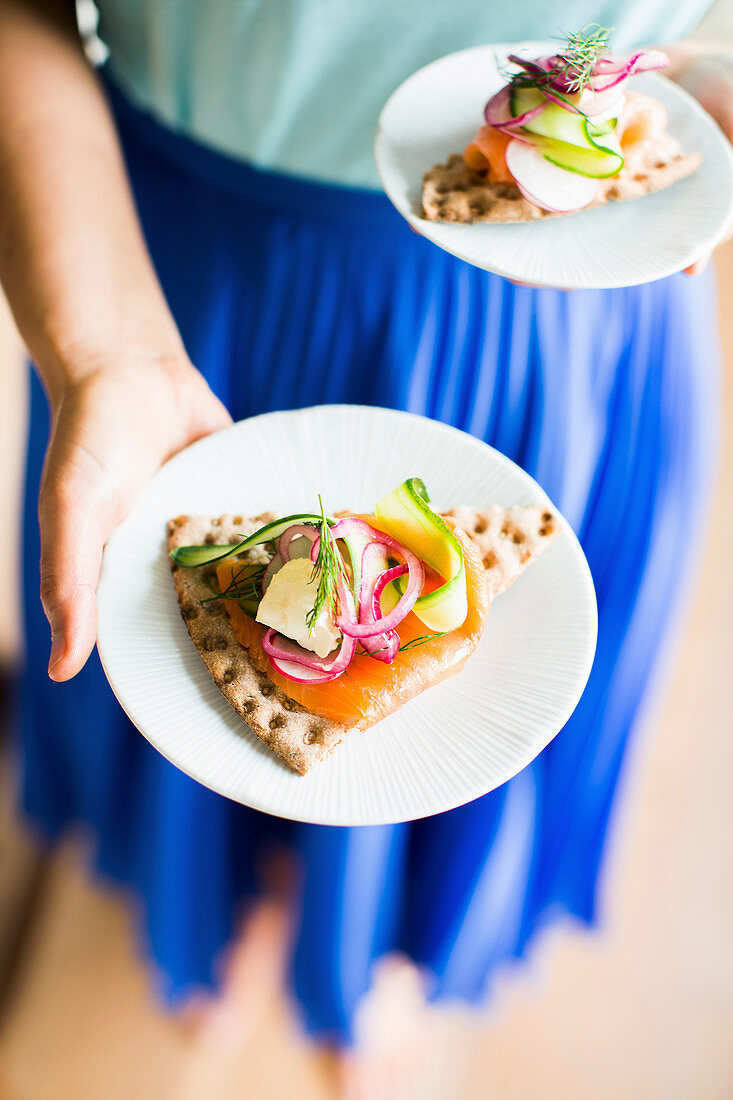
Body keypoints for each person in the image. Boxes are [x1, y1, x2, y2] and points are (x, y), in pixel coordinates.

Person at [0, 0, 730, 1086]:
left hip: (564, 303)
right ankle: (222, 907)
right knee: (194, 728)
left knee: (475, 735)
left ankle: (373, 955)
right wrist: (104, 348)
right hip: (163, 283)